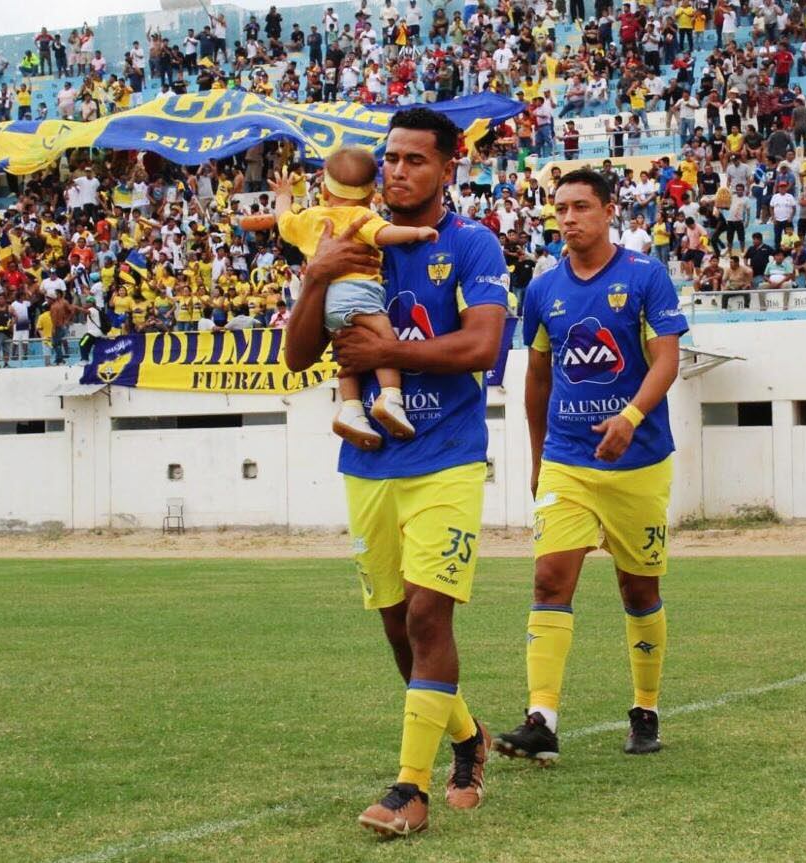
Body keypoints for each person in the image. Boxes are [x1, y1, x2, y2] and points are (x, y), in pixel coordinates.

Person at [284, 108, 509, 837]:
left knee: (426, 612)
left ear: (449, 168)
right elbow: (295, 356)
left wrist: (389, 352)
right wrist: (314, 277)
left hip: (446, 454)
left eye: (416, 159)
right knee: (395, 629)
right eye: (391, 159)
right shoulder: (343, 239)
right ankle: (467, 734)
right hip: (369, 460)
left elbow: (480, 347)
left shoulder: (472, 245)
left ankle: (409, 789)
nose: (399, 171)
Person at [497, 167, 686, 762]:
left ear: (609, 211)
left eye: (581, 206)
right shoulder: (542, 288)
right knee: (550, 578)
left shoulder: (645, 276)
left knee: (638, 590)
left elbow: (667, 359)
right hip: (567, 462)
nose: (569, 218)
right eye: (561, 208)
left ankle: (646, 709)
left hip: (639, 463)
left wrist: (629, 417)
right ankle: (541, 718)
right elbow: (538, 379)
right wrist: (537, 457)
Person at [273, 148, 436, 449]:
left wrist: (285, 195)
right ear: (371, 194)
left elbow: (283, 219)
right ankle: (391, 396)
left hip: (326, 304)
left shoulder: (309, 219)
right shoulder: (361, 216)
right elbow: (384, 235)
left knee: (346, 353)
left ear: (323, 190)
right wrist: (416, 232)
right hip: (358, 293)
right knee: (383, 338)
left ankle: (351, 409)